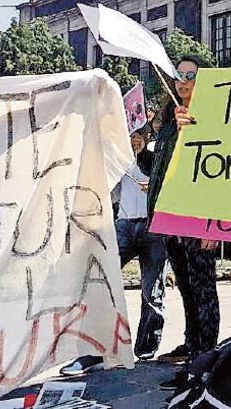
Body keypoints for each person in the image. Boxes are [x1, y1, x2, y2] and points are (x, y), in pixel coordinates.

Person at [60, 126, 167, 375]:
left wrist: (148, 180)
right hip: (124, 226)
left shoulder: (155, 157)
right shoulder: (120, 160)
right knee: (99, 283)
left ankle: (146, 350)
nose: (135, 141)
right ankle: (93, 350)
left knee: (152, 292)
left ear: (147, 137)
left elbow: (161, 182)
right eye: (132, 136)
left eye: (140, 136)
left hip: (154, 227)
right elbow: (111, 194)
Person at [146, 56, 221, 391]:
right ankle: (193, 356)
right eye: (178, 74)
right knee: (188, 293)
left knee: (204, 291)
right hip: (170, 218)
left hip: (198, 217)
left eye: (191, 74)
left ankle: (205, 364)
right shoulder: (168, 119)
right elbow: (160, 170)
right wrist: (141, 152)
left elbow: (220, 168)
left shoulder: (213, 118)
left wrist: (215, 220)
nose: (183, 80)